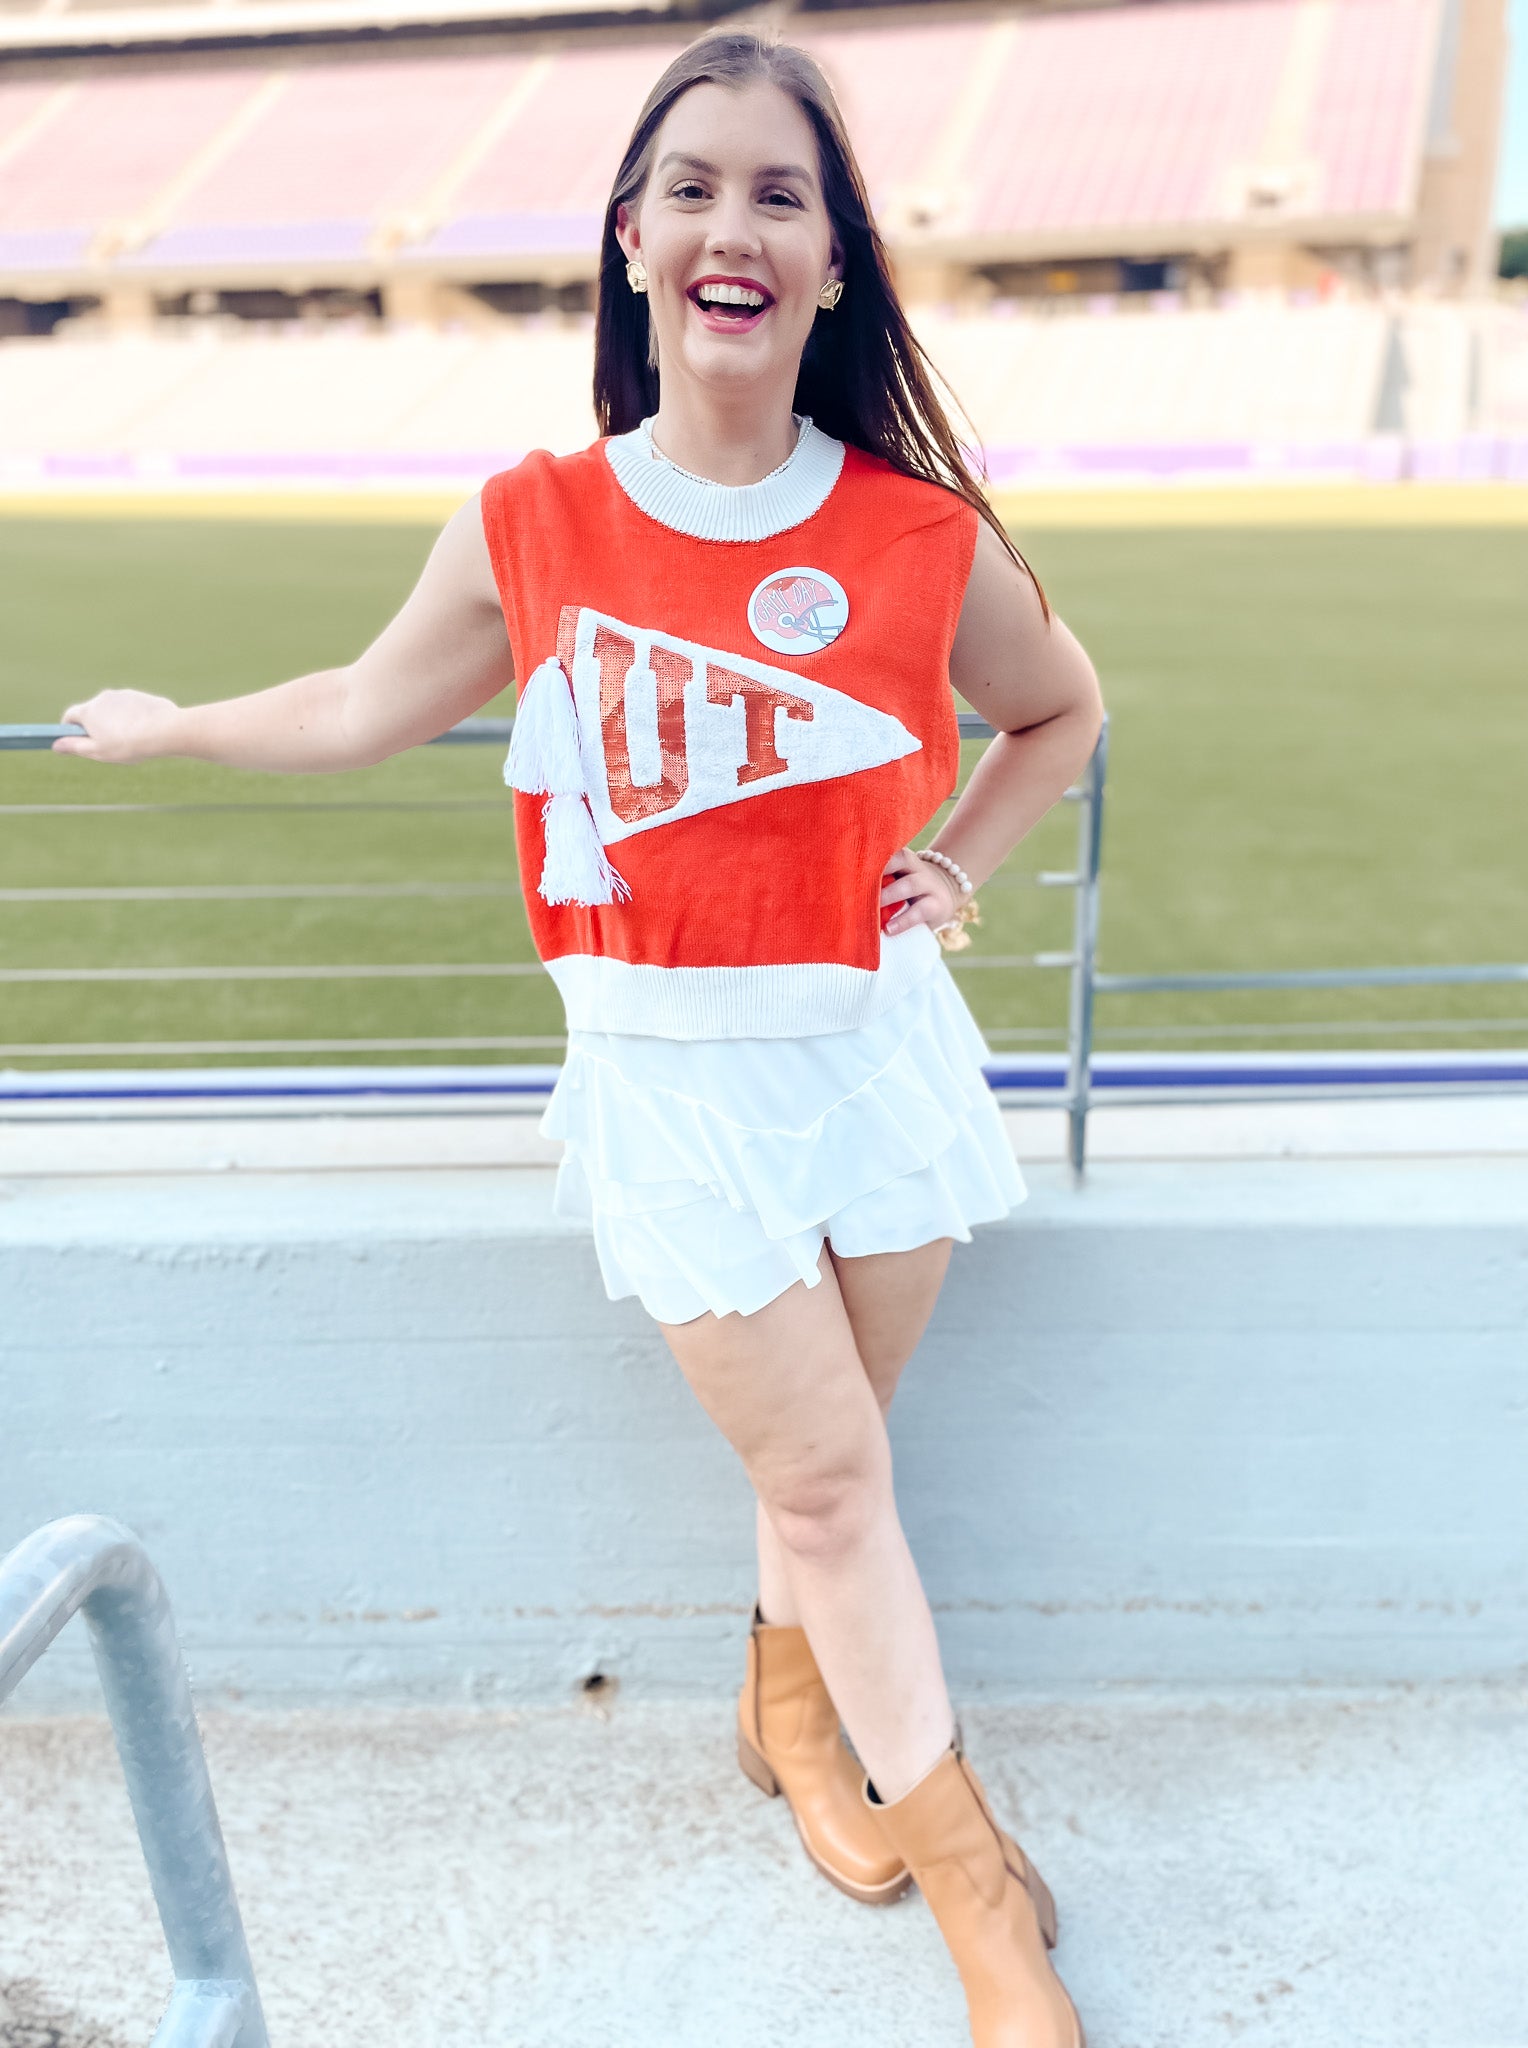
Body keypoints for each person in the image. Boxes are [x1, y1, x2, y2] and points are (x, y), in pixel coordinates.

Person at [56, 30, 1103, 2045]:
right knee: (825, 1488)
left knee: (838, 1475)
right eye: (693, 185)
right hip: (672, 1077)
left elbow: (1062, 713)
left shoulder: (914, 535)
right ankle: (981, 1887)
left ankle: (786, 1710)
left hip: (873, 1059)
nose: (735, 222)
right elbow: (368, 704)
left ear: (828, 266)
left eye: (781, 194)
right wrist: (177, 721)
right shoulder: (533, 522)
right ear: (632, 244)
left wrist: (960, 866)